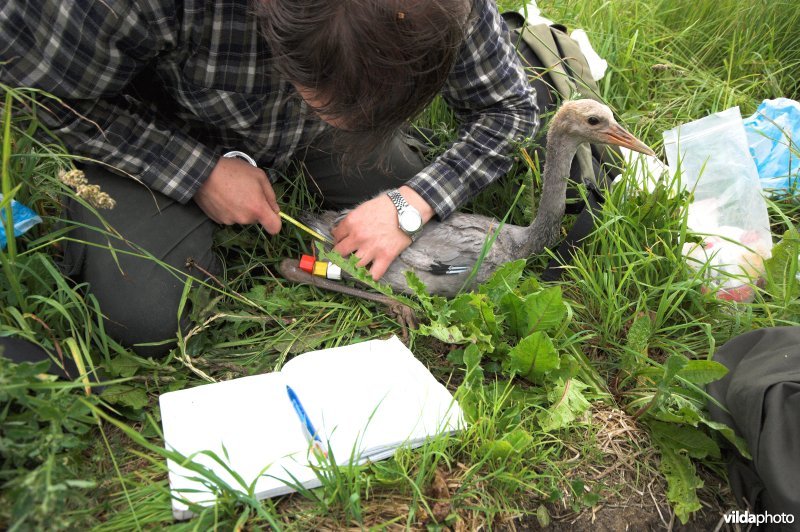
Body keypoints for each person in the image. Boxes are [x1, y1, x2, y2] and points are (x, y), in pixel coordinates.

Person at [0, 0, 537, 361]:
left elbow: (509, 108)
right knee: (148, 319)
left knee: (406, 209)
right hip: (158, 126)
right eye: (333, 94)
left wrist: (411, 202)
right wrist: (196, 170)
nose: (350, 121)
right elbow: (58, 96)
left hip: (293, 124)